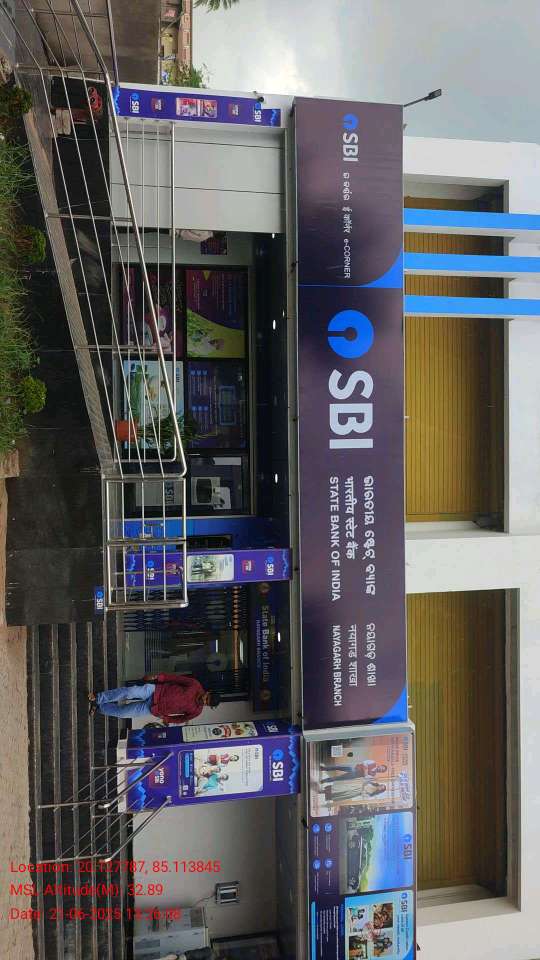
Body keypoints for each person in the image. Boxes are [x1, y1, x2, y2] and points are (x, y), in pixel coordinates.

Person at [88, 673, 221, 724]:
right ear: (208, 692)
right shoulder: (194, 684)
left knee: (123, 713)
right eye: (206, 698)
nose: (204, 701)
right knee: (129, 692)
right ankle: (98, 697)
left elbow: (182, 719)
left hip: (154, 709)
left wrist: (167, 719)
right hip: (155, 691)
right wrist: (157, 677)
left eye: (207, 703)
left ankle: (99, 707)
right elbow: (175, 678)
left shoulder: (197, 711)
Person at [319, 761, 388, 784]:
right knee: (338, 767)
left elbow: (365, 776)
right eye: (381, 768)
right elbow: (364, 762)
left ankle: (324, 781)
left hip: (354, 775)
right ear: (380, 765)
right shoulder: (373, 762)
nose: (380, 769)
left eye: (381, 770)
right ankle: (324, 768)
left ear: (381, 772)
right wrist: (365, 771)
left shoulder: (373, 775)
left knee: (338, 778)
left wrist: (365, 769)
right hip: (353, 767)